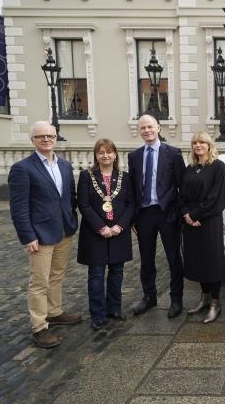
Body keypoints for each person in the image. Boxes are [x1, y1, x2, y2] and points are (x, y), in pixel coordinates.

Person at [8, 121, 81, 348]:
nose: (46, 139)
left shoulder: (65, 165)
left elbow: (69, 197)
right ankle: (39, 326)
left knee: (57, 275)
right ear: (33, 140)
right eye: (41, 136)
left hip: (64, 231)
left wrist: (72, 220)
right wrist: (27, 236)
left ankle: (54, 311)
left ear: (56, 138)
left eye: (50, 135)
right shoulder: (22, 168)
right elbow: (18, 207)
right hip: (40, 235)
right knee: (39, 281)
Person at [128, 114, 186, 318]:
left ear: (159, 128)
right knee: (146, 259)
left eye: (150, 126)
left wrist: (180, 213)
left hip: (167, 214)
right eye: (143, 128)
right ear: (139, 131)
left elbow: (182, 186)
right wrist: (133, 218)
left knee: (173, 258)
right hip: (144, 215)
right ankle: (149, 296)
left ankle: (176, 299)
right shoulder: (134, 156)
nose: (147, 130)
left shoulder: (173, 153)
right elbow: (133, 188)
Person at [77, 139, 134, 330]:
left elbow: (131, 204)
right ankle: (98, 315)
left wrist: (120, 226)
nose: (105, 155)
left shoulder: (124, 177)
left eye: (109, 152)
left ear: (115, 155)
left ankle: (114, 309)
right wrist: (101, 227)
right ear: (96, 155)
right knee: (96, 274)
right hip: (95, 233)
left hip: (119, 232)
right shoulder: (86, 176)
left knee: (117, 272)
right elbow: (83, 205)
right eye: (101, 152)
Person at [180, 132, 225, 323]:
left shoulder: (217, 167)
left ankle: (216, 303)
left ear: (209, 145)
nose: (198, 145)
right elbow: (182, 195)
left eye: (202, 142)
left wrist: (195, 215)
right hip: (190, 222)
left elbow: (217, 197)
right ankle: (205, 298)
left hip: (209, 221)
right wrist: (186, 214)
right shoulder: (190, 168)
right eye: (194, 142)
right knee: (198, 260)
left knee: (211, 261)